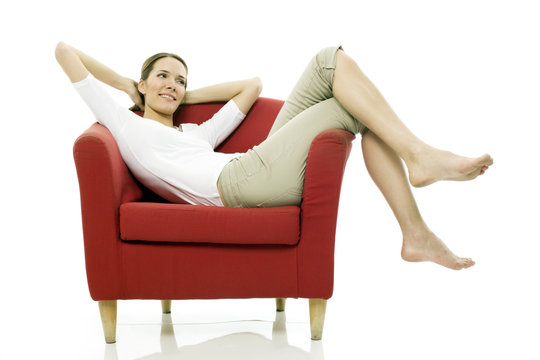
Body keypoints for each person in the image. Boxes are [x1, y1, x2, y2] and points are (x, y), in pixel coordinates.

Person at [55, 42, 493, 271]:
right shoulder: (125, 124)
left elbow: (253, 84)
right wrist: (131, 88)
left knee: (328, 61)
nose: (172, 84)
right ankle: (418, 169)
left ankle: (416, 224)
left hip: (254, 163)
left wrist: (183, 95)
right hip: (240, 185)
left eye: (180, 80)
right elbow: (64, 51)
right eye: (163, 77)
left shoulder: (195, 132)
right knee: (349, 106)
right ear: (144, 83)